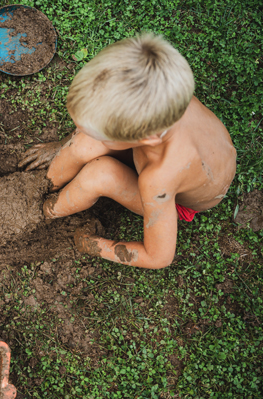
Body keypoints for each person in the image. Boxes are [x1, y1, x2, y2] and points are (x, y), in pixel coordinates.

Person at [19, 34, 236, 269]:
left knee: (99, 175)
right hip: (157, 154)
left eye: (95, 130)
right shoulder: (161, 94)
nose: (81, 131)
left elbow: (159, 257)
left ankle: (44, 212)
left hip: (173, 201)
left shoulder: (159, 179)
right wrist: (63, 145)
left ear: (145, 138)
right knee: (83, 144)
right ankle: (39, 188)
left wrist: (92, 244)